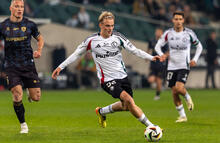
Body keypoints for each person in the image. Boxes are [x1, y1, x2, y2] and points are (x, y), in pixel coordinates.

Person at [52, 11, 161, 129]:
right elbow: (76, 54)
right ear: (100, 25)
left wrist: (151, 57)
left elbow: (134, 50)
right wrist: (60, 67)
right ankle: (151, 126)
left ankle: (101, 112)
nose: (110, 29)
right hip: (107, 79)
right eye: (107, 26)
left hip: (122, 76)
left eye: (112, 25)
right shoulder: (91, 41)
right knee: (128, 100)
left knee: (126, 106)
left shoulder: (118, 37)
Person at [0, 0, 44, 133]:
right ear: (11, 8)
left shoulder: (30, 24)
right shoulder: (3, 26)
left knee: (36, 98)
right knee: (17, 94)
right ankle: (23, 125)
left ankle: (29, 91)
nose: (19, 9)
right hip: (11, 66)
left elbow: (40, 39)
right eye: (17, 6)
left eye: (21, 7)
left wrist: (39, 50)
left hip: (28, 65)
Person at [155, 11, 203, 122]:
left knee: (179, 88)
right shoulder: (168, 33)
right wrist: (162, 55)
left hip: (184, 65)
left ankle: (188, 97)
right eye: (176, 19)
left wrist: (194, 59)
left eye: (180, 19)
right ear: (172, 20)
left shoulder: (189, 33)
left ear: (183, 20)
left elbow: (199, 46)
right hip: (171, 66)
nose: (178, 21)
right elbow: (158, 46)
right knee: (174, 92)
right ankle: (182, 116)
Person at [147, 28, 168, 100]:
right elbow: (149, 49)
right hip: (153, 62)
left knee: (158, 81)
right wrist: (147, 57)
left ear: (162, 33)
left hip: (161, 64)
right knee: (151, 80)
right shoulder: (151, 41)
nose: (158, 33)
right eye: (157, 32)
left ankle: (157, 95)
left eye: (160, 32)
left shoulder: (164, 42)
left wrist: (165, 57)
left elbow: (168, 52)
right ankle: (162, 84)